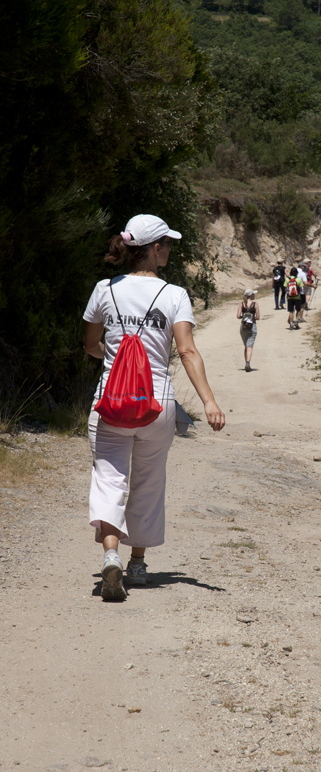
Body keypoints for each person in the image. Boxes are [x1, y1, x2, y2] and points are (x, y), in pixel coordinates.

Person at [83, 214, 225, 601]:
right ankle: (138, 564)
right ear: (155, 249)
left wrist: (112, 357)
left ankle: (110, 554)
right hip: (156, 403)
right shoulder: (174, 294)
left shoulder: (104, 290)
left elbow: (90, 344)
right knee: (149, 480)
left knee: (109, 477)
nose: (170, 250)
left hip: (110, 401)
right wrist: (209, 401)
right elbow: (186, 349)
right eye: (168, 244)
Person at [237, 288, 260, 371]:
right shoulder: (255, 304)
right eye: (253, 294)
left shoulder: (241, 304)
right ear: (251, 295)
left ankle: (246, 363)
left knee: (246, 346)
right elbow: (258, 317)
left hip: (243, 327)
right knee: (249, 345)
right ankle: (248, 363)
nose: (254, 295)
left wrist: (244, 317)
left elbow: (238, 316)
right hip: (252, 326)